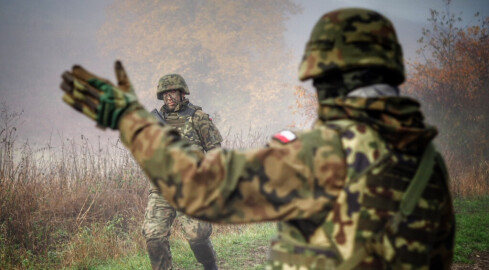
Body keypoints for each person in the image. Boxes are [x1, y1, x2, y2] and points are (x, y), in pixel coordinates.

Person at [60, 7, 455, 270]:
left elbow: (203, 186)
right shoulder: (426, 156)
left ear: (327, 78)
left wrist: (128, 120)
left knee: (198, 233)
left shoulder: (324, 152)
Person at [144, 74, 222, 270]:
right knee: (153, 235)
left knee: (197, 234)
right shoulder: (154, 120)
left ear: (181, 93)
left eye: (172, 93)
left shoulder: (198, 117)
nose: (168, 97)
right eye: (165, 94)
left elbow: (215, 150)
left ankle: (210, 265)